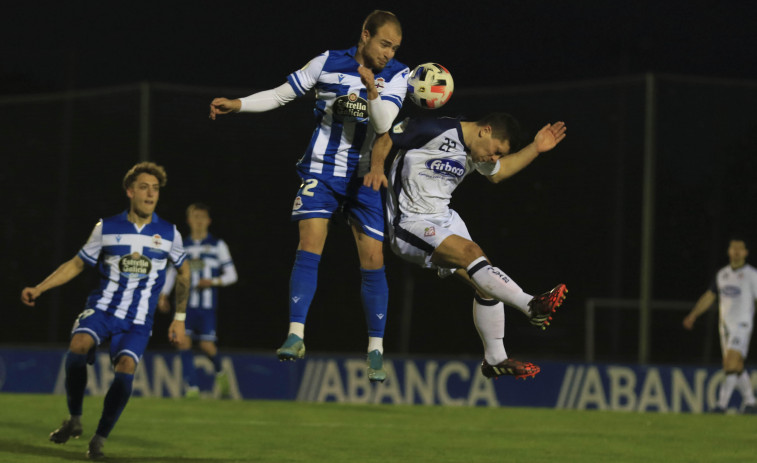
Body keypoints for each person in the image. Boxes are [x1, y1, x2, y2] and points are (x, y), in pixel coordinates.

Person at [208, 10, 409, 382]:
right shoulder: (327, 61)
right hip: (321, 170)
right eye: (384, 44)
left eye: (394, 47)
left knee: (373, 258)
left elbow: (383, 125)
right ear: (365, 35)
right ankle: (296, 335)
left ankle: (376, 350)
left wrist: (371, 89)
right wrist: (239, 104)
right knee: (310, 242)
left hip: (364, 179)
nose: (388, 53)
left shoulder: (398, 74)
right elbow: (282, 95)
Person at [367, 113, 568, 379]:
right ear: (485, 131)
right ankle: (532, 306)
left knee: (487, 281)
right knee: (474, 256)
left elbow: (498, 174)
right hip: (410, 222)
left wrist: (536, 148)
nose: (494, 158)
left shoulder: (476, 153)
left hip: (444, 220)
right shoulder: (433, 127)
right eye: (496, 151)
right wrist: (376, 168)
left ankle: (495, 358)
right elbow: (386, 137)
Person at [21, 162, 190, 459]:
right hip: (102, 308)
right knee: (78, 345)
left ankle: (99, 437)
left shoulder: (169, 233)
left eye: (155, 189)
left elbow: (185, 273)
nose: (151, 193)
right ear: (130, 191)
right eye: (144, 187)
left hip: (138, 320)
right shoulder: (107, 227)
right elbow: (76, 263)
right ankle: (74, 417)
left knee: (125, 369)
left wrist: (179, 318)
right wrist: (40, 288)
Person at [159, 203, 238, 398]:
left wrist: (212, 281)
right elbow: (171, 272)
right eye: (195, 216)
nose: (199, 220)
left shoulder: (218, 245)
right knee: (182, 342)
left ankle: (220, 372)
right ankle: (192, 389)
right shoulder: (182, 246)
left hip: (206, 306)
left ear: (209, 221)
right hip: (184, 306)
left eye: (203, 216)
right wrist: (163, 294)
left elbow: (232, 275)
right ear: (189, 220)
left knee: (206, 346)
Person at [683, 238, 757, 413]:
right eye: (733, 248)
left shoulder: (752, 275)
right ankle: (751, 402)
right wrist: (693, 314)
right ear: (729, 252)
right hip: (725, 327)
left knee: (730, 363)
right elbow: (709, 296)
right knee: (736, 366)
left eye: (740, 249)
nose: (737, 251)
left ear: (746, 252)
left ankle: (721, 405)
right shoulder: (721, 274)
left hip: (742, 325)